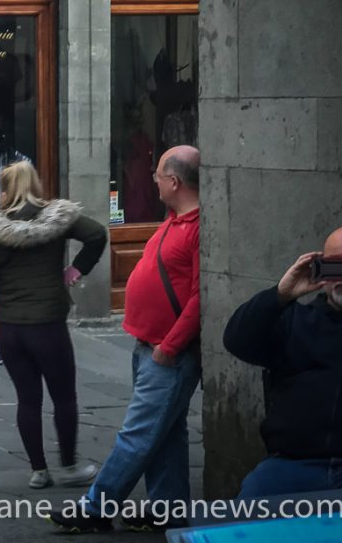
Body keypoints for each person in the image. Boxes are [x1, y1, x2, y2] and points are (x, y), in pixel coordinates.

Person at [50, 145, 201, 534]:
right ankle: (168, 509)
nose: (152, 178)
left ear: (174, 181)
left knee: (137, 433)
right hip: (147, 344)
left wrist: (169, 348)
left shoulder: (199, 227)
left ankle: (96, 507)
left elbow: (203, 297)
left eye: (158, 173)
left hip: (167, 352)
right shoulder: (173, 219)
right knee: (165, 432)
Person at [0, 160, 106, 490]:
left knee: (27, 399)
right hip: (48, 325)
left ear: (4, 188)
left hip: (10, 327)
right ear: (36, 183)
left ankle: (38, 470)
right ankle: (70, 466)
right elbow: (97, 234)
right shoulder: (57, 219)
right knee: (63, 396)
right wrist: (76, 269)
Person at [224, 224, 342, 498]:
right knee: (250, 509)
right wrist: (280, 294)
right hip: (292, 465)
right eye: (335, 266)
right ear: (320, 267)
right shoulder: (294, 320)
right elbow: (236, 340)